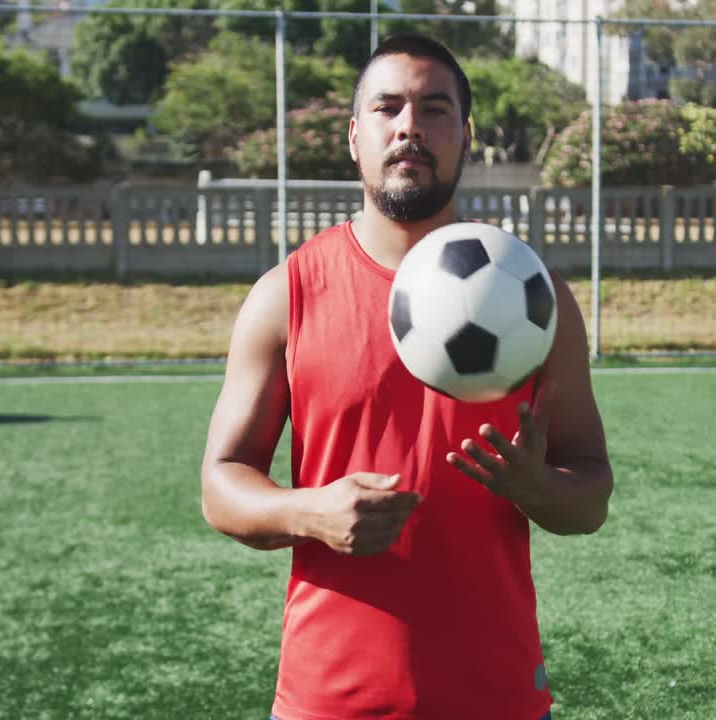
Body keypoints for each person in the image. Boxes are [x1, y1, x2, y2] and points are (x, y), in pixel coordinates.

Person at [200, 34, 612, 720]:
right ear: (355, 136)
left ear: (467, 136)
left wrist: (536, 487)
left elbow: (591, 494)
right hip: (328, 699)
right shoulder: (288, 293)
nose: (410, 126)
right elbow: (221, 486)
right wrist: (310, 512)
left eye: (435, 108)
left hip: (496, 698)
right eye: (388, 107)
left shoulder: (536, 299)